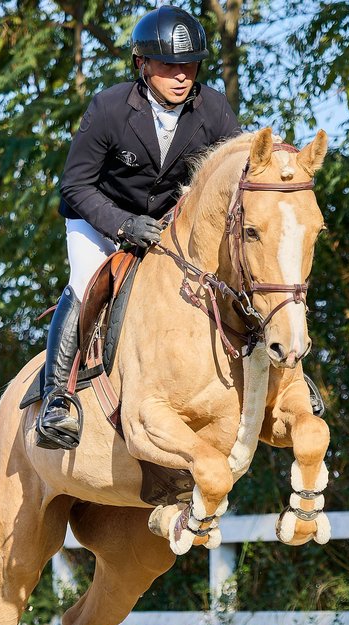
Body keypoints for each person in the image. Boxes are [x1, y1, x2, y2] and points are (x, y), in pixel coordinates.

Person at [35, 5, 242, 450]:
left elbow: (232, 178)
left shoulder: (214, 109)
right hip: (99, 218)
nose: (181, 75)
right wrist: (124, 225)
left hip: (166, 227)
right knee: (85, 281)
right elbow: (74, 185)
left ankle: (275, 375)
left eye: (189, 65)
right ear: (142, 64)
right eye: (168, 65)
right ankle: (57, 400)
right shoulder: (109, 108)